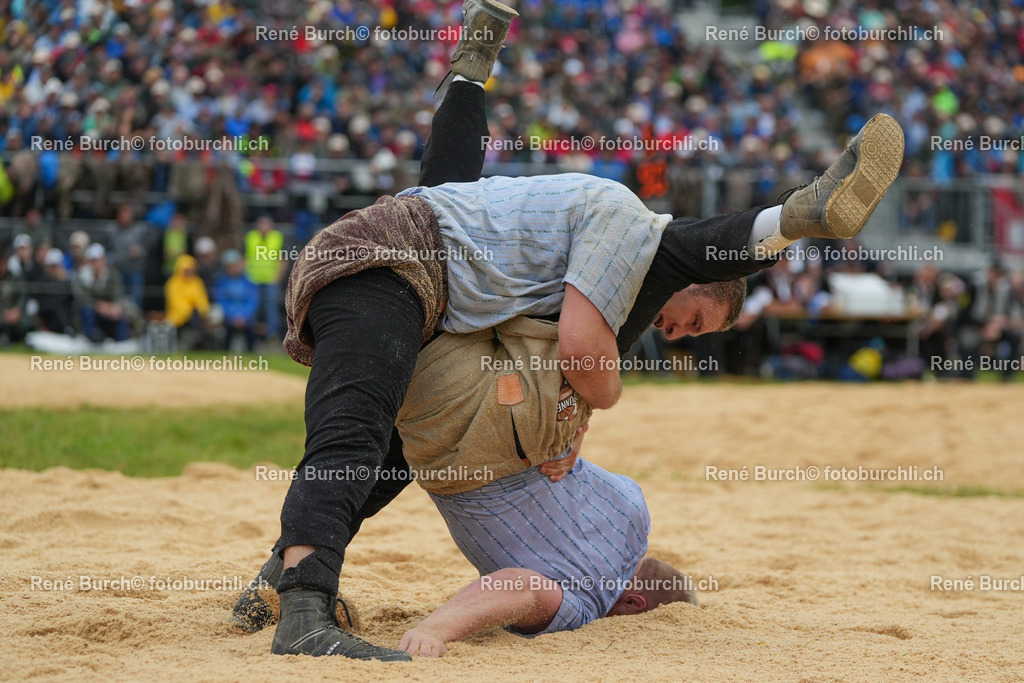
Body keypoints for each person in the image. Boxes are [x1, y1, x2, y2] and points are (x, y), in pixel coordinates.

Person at [266, 0, 905, 662]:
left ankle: (279, 579)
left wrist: (567, 413)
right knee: (355, 435)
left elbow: (457, 189)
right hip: (386, 263)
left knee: (389, 444)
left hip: (413, 256)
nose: (679, 335)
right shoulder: (628, 234)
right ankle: (305, 613)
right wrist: (599, 400)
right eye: (693, 320)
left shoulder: (593, 249)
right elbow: (599, 335)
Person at [75, 243, 129, 342]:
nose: (96, 263)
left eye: (98, 260)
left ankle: (122, 342)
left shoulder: (112, 273)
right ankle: (88, 339)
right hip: (92, 309)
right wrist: (100, 306)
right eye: (93, 260)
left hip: (108, 309)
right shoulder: (82, 275)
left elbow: (117, 293)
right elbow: (83, 299)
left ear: (104, 260)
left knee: (120, 313)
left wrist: (112, 307)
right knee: (87, 312)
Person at [243, 216, 285, 343]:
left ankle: (272, 336)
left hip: (270, 279)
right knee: (252, 307)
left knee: (270, 308)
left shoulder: (277, 237)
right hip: (252, 279)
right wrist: (245, 276)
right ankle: (252, 335)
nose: (263, 228)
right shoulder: (250, 237)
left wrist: (278, 277)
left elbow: (283, 259)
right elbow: (245, 256)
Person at [213, 249, 259, 352]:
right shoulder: (222, 282)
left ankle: (251, 353)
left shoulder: (248, 281)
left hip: (245, 317)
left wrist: (243, 316)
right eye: (230, 266)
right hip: (229, 318)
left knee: (251, 329)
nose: (233, 268)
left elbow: (253, 301)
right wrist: (233, 316)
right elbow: (222, 301)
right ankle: (224, 353)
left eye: (235, 265)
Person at [164, 254, 210, 348]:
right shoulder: (173, 283)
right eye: (186, 269)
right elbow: (175, 301)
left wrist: (202, 311)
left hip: (194, 316)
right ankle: (194, 339)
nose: (189, 272)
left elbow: (202, 299)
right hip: (177, 316)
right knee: (193, 321)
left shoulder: (197, 282)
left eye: (191, 269)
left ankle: (197, 341)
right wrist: (189, 311)